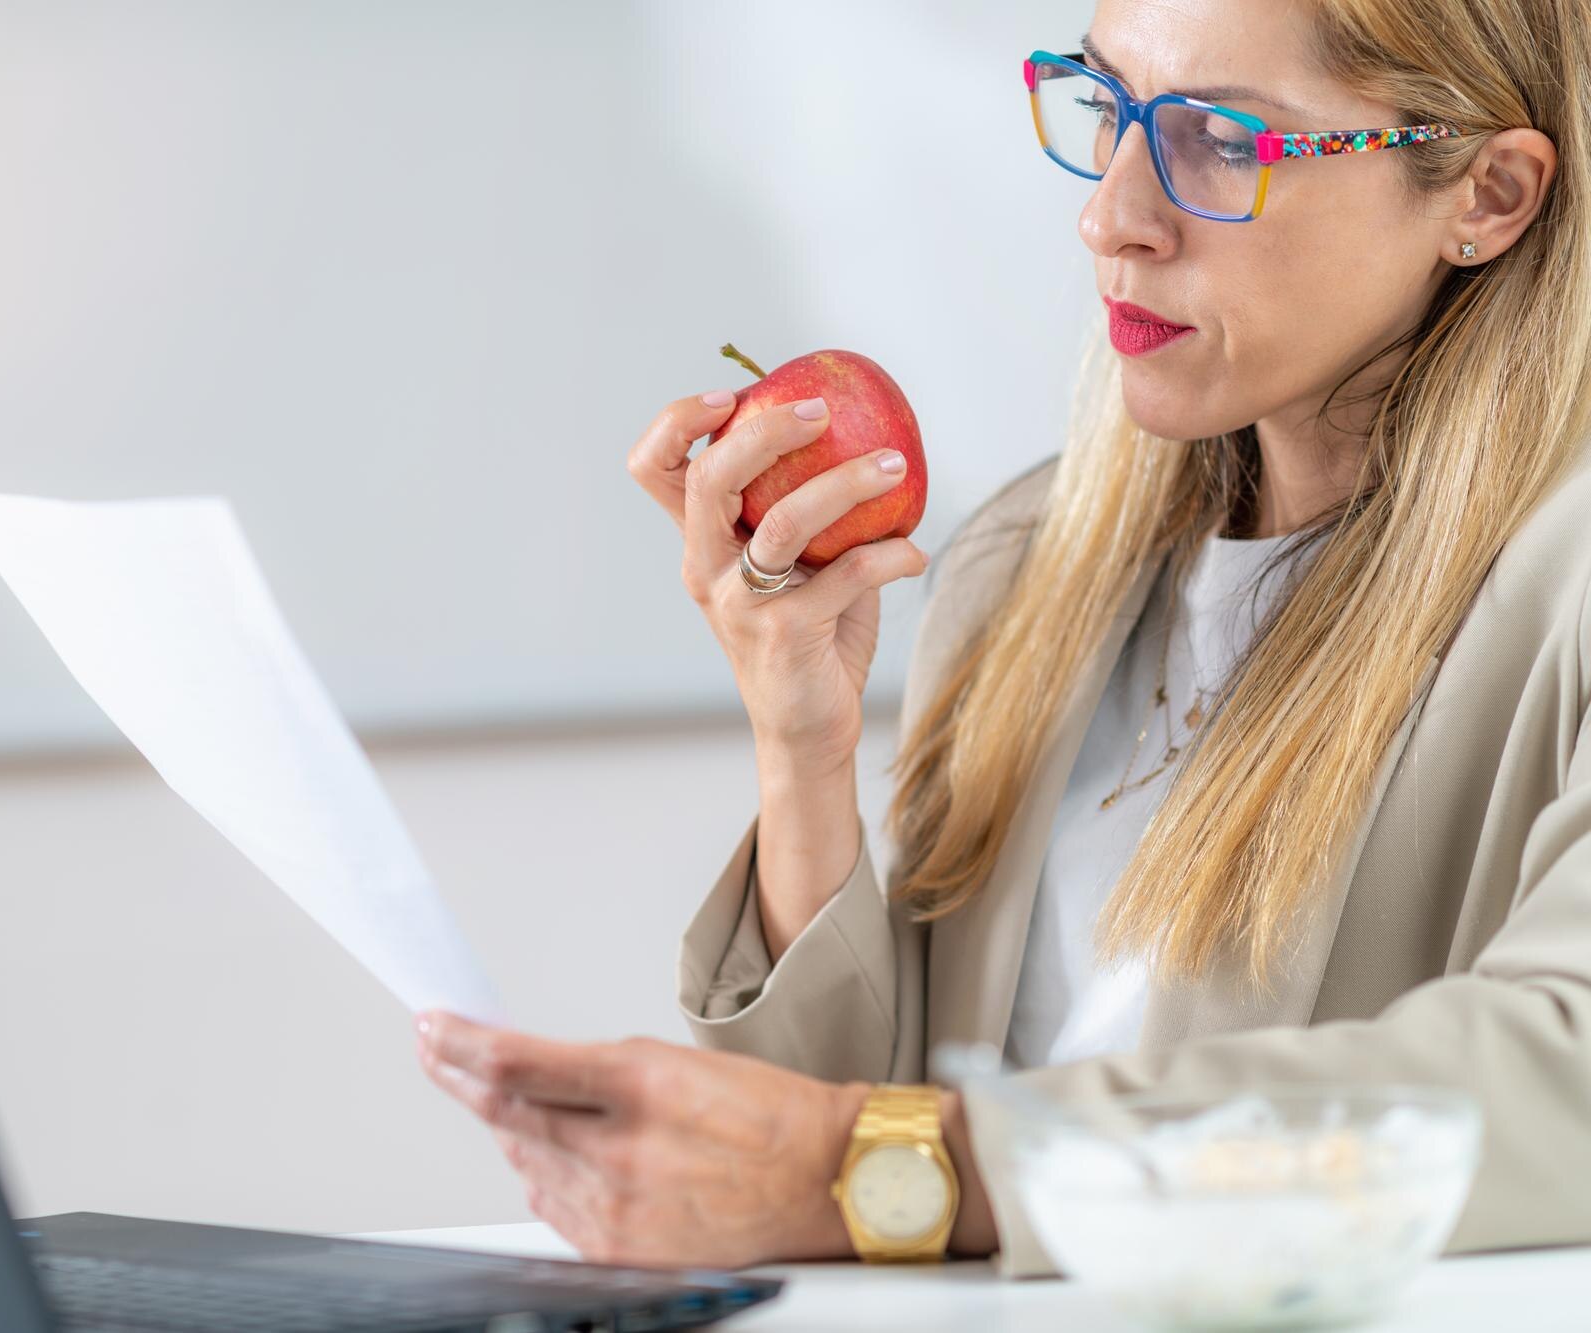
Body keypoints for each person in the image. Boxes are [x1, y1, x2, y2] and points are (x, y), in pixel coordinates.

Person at [416, 0, 1591, 1277]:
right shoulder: (1030, 562)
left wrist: (862, 1164)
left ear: (1487, 194)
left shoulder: (1561, 582)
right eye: (1106, 107)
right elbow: (868, 1176)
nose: (1109, 216)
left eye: (1218, 141)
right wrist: (799, 745)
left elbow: (1564, 1074)